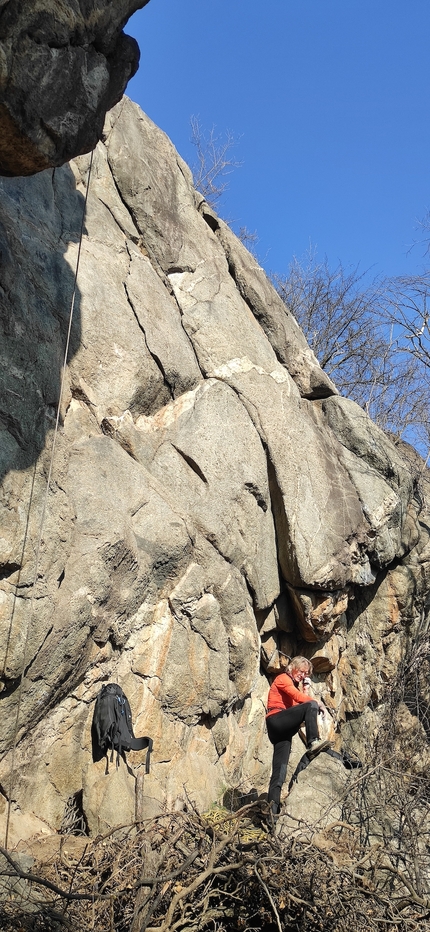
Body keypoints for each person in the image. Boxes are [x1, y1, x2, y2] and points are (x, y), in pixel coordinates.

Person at [266, 655, 330, 816]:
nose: (303, 675)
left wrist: (306, 688)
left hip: (284, 732)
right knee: (312, 704)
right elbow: (299, 699)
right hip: (276, 720)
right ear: (292, 667)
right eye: (302, 671)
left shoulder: (295, 685)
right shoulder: (283, 679)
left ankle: (271, 815)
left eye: (306, 674)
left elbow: (298, 706)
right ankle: (313, 741)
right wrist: (317, 703)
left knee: (279, 774)